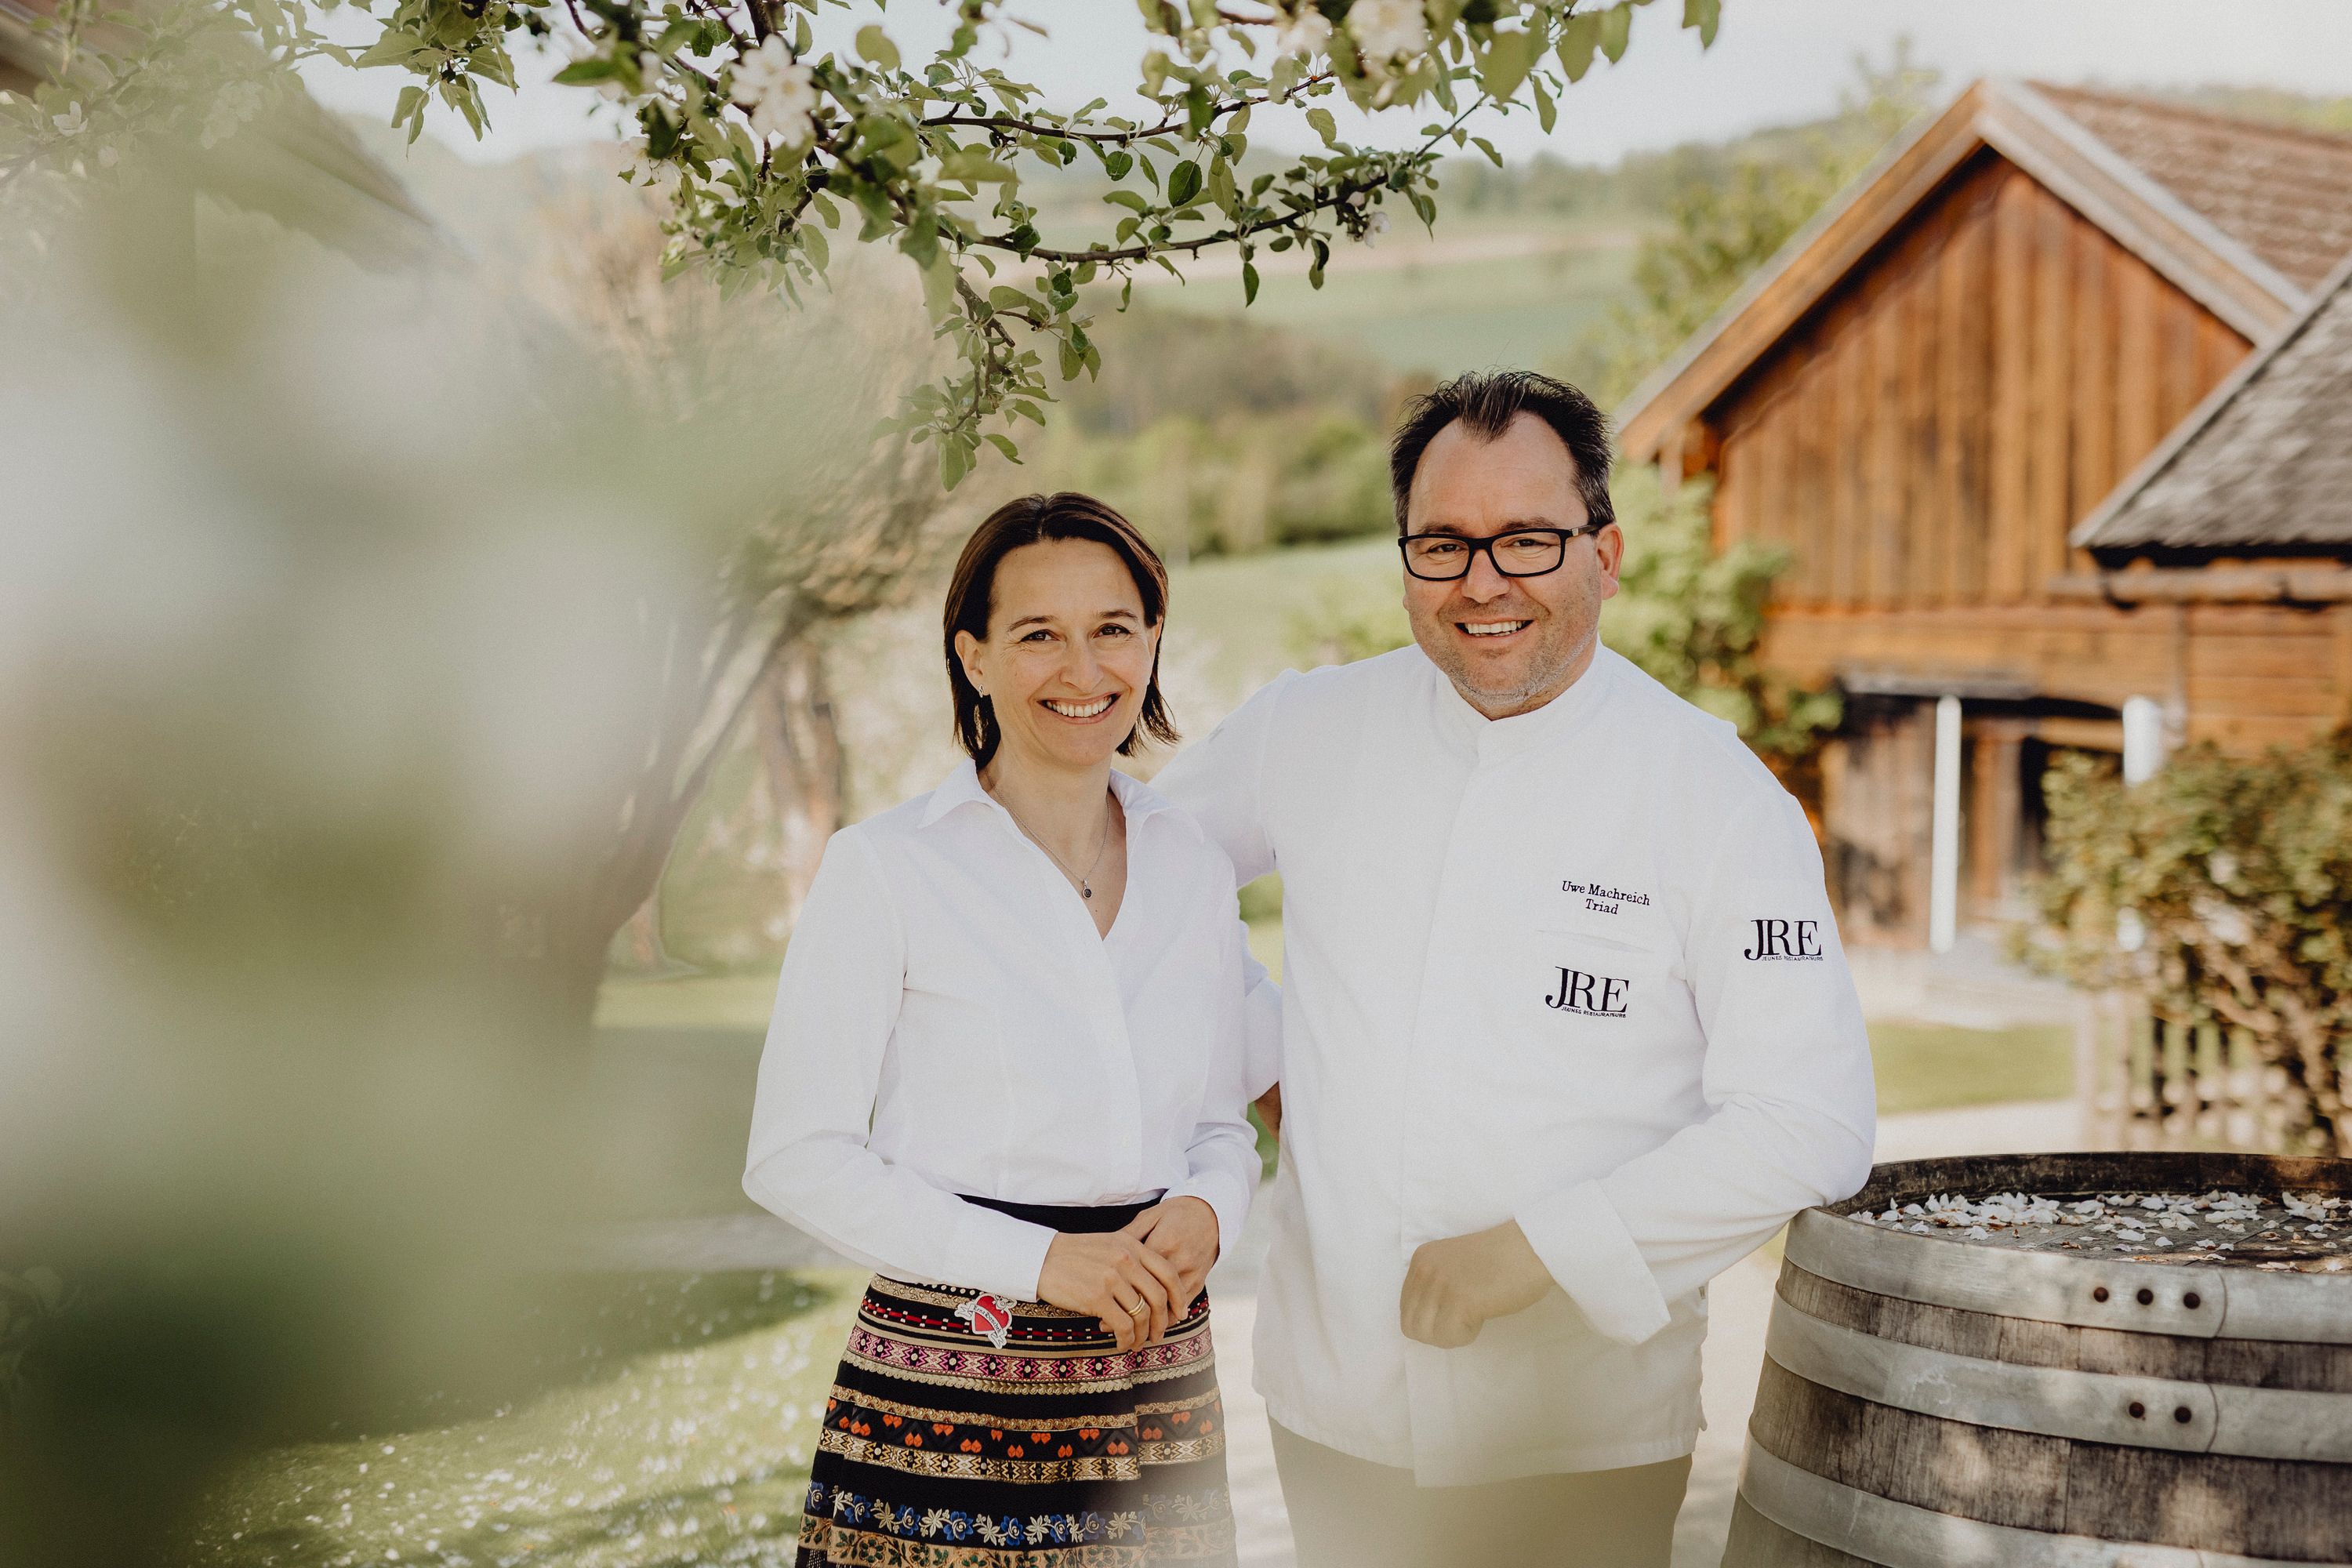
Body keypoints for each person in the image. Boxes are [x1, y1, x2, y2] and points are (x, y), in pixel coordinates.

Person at [1154, 370, 1878, 1567]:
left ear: (1606, 551)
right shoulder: (1309, 731)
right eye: (1443, 544)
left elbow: (1811, 1124)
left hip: (1581, 1439)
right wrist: (1265, 1047)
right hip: (1337, 1400)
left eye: (1528, 541)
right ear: (1405, 561)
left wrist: (1540, 1249)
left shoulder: (1715, 798)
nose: (1483, 582)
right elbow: (1133, 892)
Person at [744, 492, 1267, 1567]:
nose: (1085, 670)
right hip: (953, 1405)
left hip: (1156, 1386)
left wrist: (1212, 1209)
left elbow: (1219, 1121)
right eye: (1039, 635)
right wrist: (1039, 1264)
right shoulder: (887, 869)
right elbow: (796, 1159)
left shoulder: (1195, 867)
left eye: (1113, 629)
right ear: (974, 658)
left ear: (1152, 640)